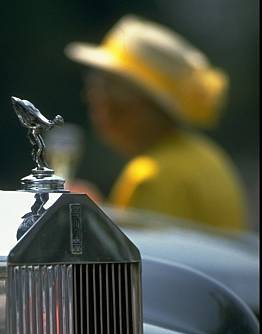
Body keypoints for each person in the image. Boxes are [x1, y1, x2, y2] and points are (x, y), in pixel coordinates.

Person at [65, 16, 248, 231]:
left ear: (140, 103)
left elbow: (141, 262)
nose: (93, 98)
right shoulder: (208, 157)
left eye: (105, 85)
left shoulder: (151, 177)